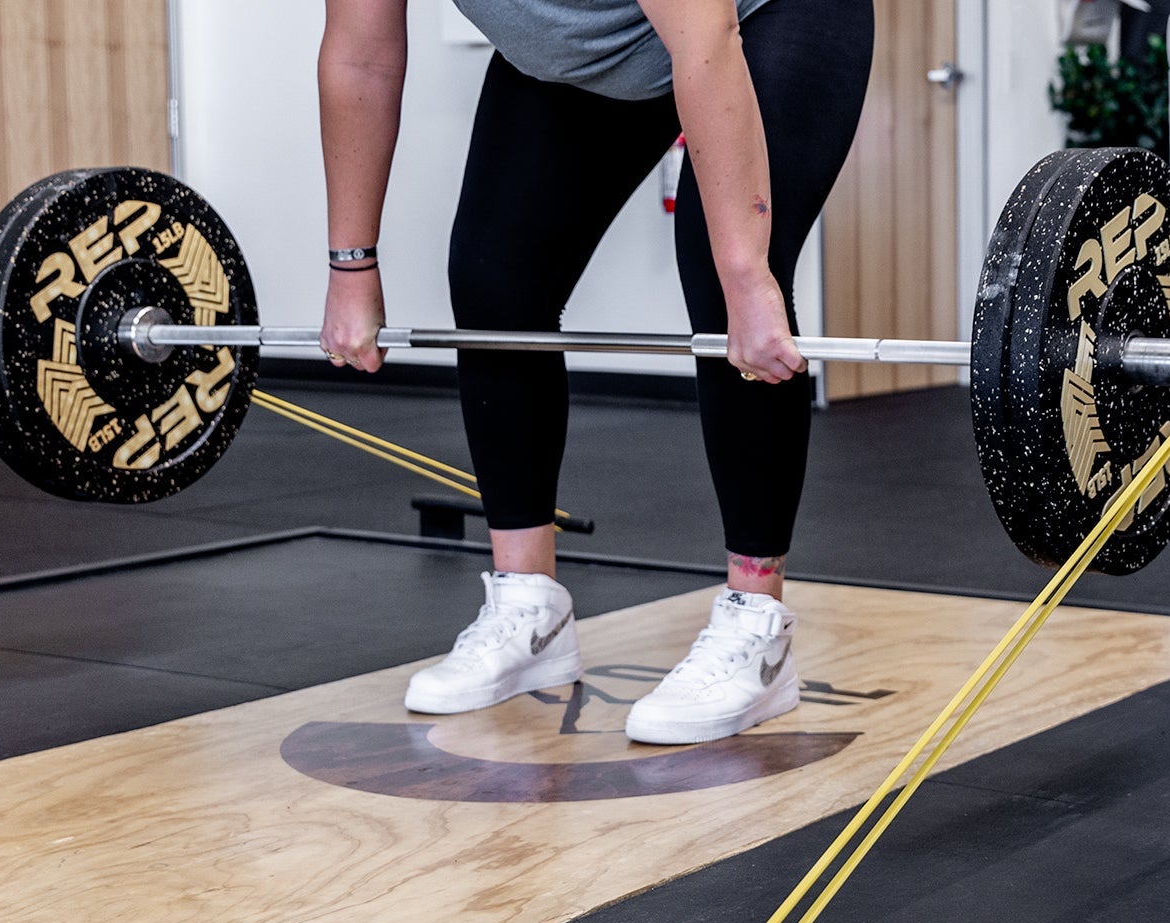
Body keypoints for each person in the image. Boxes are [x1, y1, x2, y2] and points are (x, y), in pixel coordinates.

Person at [317, 0, 872, 743]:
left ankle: (756, 626)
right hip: (587, 51)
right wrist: (351, 266)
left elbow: (704, 42)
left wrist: (747, 279)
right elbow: (361, 55)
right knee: (494, 279)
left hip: (761, 14)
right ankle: (529, 611)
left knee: (724, 276)